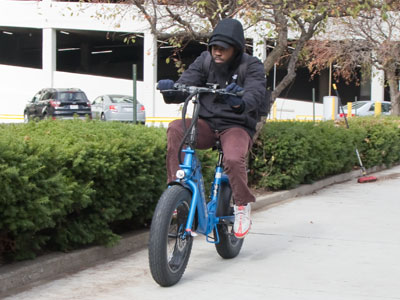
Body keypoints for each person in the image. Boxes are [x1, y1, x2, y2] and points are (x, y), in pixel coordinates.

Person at [157, 18, 266, 239]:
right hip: (206, 123)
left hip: (236, 125)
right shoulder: (204, 61)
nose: (217, 52)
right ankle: (176, 189)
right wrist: (171, 90)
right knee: (176, 128)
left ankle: (243, 205)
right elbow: (186, 84)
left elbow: (255, 93)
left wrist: (239, 101)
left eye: (223, 48)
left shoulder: (251, 65)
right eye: (214, 47)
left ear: (235, 49)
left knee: (234, 159)